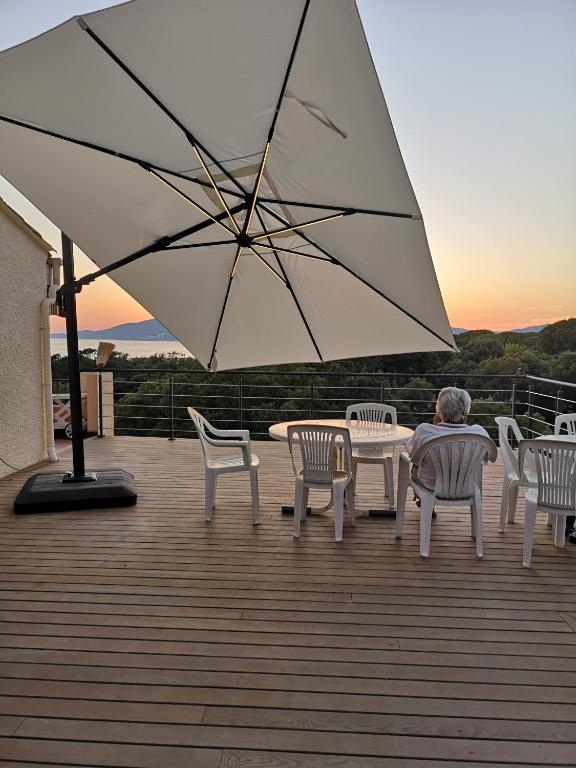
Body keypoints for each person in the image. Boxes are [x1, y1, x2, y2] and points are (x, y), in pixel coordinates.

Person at [406, 387, 488, 491]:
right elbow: (488, 457)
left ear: (439, 411)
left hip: (430, 487)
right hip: (466, 487)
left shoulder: (424, 430)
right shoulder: (480, 433)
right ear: (466, 412)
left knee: (416, 466)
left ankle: (424, 502)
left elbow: (413, 456)